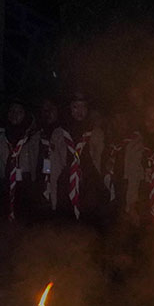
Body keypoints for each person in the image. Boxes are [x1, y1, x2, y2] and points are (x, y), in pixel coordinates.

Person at [54, 93, 105, 222]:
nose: (80, 111)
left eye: (83, 106)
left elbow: (100, 162)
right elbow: (55, 166)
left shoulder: (96, 132)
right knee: (67, 223)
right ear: (69, 109)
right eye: (75, 107)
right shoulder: (60, 133)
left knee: (89, 223)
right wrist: (53, 195)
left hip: (90, 185)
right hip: (66, 185)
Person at [0, 99, 38, 221]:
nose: (15, 115)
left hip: (27, 184)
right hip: (7, 182)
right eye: (12, 111)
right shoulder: (1, 136)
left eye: (19, 112)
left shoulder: (33, 136)